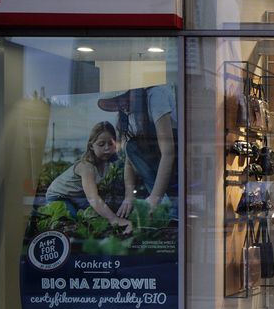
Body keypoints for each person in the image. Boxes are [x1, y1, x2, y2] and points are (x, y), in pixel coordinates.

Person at [98, 85, 177, 217]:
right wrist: (129, 197)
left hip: (178, 160)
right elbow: (130, 160)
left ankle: (169, 203)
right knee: (131, 146)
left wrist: (155, 198)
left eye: (122, 98)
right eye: (116, 101)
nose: (121, 105)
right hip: (157, 164)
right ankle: (163, 204)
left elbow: (168, 152)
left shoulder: (156, 96)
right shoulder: (130, 115)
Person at [44, 121, 132, 232]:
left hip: (77, 196)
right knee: (74, 222)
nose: (107, 148)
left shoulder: (107, 162)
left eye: (110, 143)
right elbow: (93, 198)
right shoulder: (87, 167)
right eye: (101, 144)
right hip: (60, 196)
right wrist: (114, 219)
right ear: (91, 146)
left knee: (97, 215)